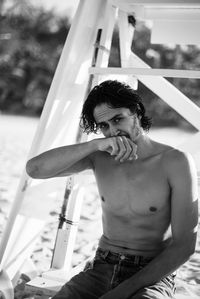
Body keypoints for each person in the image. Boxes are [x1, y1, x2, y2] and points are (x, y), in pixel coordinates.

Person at [26, 80, 198, 299]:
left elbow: (185, 245)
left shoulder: (175, 162)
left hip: (153, 274)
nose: (113, 131)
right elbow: (35, 169)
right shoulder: (100, 157)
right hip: (102, 267)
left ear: (136, 113)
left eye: (118, 119)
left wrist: (121, 292)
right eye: (104, 126)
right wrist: (94, 144)